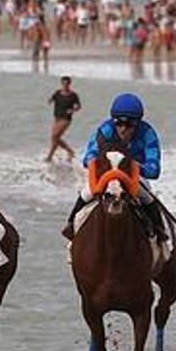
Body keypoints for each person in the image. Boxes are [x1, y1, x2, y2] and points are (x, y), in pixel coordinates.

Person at [64, 93, 165, 241]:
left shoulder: (148, 133)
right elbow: (88, 158)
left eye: (130, 124)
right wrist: (105, 163)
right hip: (106, 174)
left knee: (147, 198)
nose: (123, 129)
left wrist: (133, 166)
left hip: (133, 177)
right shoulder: (105, 130)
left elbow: (154, 170)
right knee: (86, 193)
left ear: (138, 123)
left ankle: (160, 234)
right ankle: (71, 226)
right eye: (119, 123)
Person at [46, 76, 81, 162]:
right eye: (63, 83)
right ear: (61, 83)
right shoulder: (58, 93)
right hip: (57, 117)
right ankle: (69, 152)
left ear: (69, 84)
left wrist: (73, 109)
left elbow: (78, 106)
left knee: (55, 136)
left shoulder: (73, 95)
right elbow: (52, 99)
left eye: (67, 84)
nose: (65, 85)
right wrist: (49, 100)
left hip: (66, 119)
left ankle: (50, 156)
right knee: (55, 138)